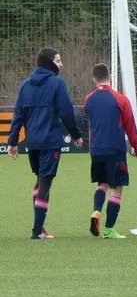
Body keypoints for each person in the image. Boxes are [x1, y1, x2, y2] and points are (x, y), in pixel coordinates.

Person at [7, 48, 83, 239]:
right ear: (49, 62)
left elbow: (18, 115)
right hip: (50, 142)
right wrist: (76, 135)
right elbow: (66, 112)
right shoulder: (57, 83)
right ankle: (36, 231)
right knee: (45, 183)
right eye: (58, 60)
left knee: (41, 180)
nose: (61, 64)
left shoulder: (25, 85)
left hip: (32, 143)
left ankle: (40, 226)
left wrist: (13, 142)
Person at [84, 64, 137, 239]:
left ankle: (97, 211)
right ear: (110, 77)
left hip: (96, 150)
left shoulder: (88, 99)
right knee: (116, 189)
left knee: (102, 185)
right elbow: (131, 128)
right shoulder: (121, 99)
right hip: (115, 150)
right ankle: (109, 229)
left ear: (94, 79)